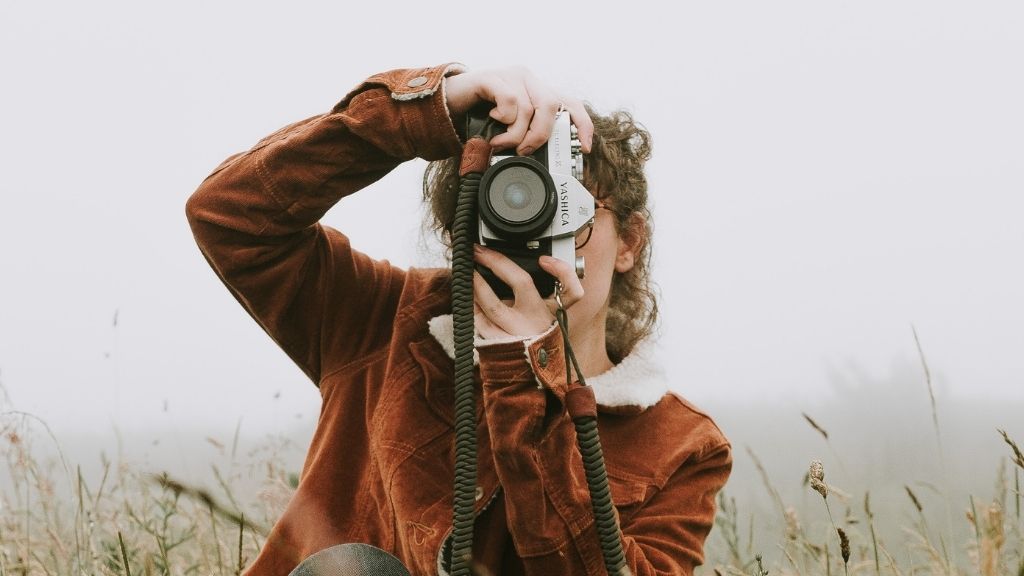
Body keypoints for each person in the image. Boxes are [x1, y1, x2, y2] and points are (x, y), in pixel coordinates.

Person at [186, 63, 732, 576]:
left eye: (566, 215)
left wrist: (526, 382)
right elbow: (230, 215)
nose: (533, 238)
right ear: (459, 231)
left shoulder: (680, 446)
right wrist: (430, 108)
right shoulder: (385, 319)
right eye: (504, 209)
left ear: (630, 242)